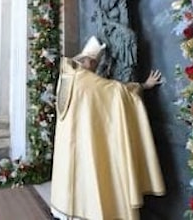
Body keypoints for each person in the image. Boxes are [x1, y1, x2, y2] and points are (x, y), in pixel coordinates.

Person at [51, 36, 165, 220]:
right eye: (95, 64)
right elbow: (117, 92)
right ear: (87, 61)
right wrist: (144, 85)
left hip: (70, 145)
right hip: (83, 145)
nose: (96, 69)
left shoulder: (67, 76)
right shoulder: (86, 80)